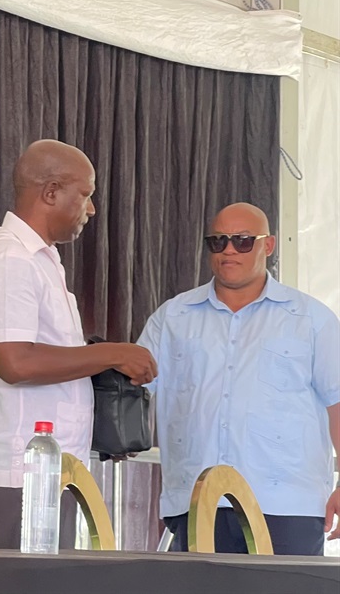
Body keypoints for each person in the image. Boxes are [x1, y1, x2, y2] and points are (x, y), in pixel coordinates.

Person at [0, 139, 158, 549]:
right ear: (50, 192)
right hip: (12, 472)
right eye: (86, 195)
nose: (92, 209)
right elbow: (15, 362)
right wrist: (112, 353)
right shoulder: (11, 259)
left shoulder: (41, 260)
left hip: (43, 470)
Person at [138, 202, 340, 555]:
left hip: (286, 505)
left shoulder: (311, 319)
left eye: (243, 241)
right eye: (218, 242)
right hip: (197, 502)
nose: (229, 250)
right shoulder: (173, 316)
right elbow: (134, 387)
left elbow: (337, 401)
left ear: (269, 245)